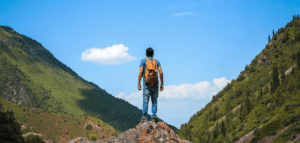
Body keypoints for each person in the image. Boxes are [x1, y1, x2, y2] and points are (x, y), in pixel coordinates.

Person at [138, 47, 164, 123]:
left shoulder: (143, 61)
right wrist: (162, 84)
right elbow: (161, 73)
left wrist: (139, 83)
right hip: (155, 84)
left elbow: (141, 72)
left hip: (146, 84)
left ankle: (144, 118)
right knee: (154, 101)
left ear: (146, 54)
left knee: (145, 101)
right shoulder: (157, 62)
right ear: (153, 54)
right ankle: (153, 117)